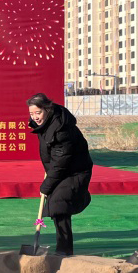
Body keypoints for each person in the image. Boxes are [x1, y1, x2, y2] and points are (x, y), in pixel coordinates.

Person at [27, 93, 93, 256]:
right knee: (58, 206)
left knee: (59, 204)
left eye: (38, 113)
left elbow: (62, 160)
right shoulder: (46, 125)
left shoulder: (61, 128)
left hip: (75, 171)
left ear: (47, 110)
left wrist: (46, 185)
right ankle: (63, 248)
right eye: (31, 114)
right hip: (61, 170)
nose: (35, 117)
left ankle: (64, 250)